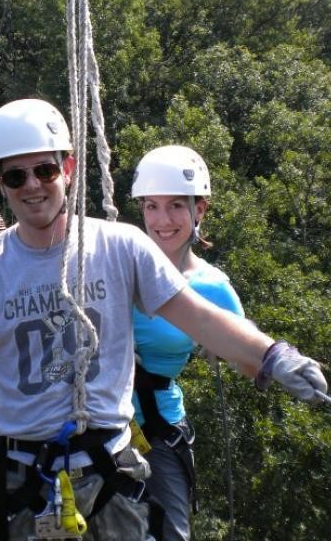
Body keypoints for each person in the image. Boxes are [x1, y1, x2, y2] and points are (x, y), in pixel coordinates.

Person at [0, 98, 328, 541]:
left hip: (111, 472)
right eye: (16, 176)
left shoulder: (121, 247)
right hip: (25, 480)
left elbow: (201, 319)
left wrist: (272, 355)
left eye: (45, 170)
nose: (33, 186)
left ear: (70, 167)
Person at [130, 145, 246, 541]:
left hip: (156, 426)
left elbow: (245, 353)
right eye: (151, 206)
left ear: (200, 210)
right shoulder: (114, 259)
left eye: (176, 205)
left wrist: (279, 362)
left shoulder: (212, 288)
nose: (162, 220)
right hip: (94, 421)